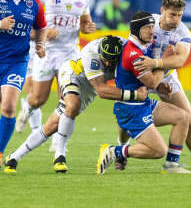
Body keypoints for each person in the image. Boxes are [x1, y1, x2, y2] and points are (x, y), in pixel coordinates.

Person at [3, 35, 149, 173]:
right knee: (73, 106)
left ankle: (14, 157)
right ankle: (59, 156)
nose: (108, 64)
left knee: (52, 125)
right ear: (99, 52)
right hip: (73, 74)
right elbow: (103, 91)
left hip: (89, 88)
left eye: (112, 60)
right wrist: (136, 95)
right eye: (105, 59)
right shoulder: (91, 54)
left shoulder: (127, 52)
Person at [117, 0, 191, 172]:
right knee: (130, 108)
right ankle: (121, 149)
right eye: (172, 14)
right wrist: (147, 66)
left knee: (187, 117)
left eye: (180, 15)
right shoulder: (148, 22)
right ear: (162, 10)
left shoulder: (183, 32)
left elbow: (180, 60)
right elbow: (133, 47)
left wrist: (156, 63)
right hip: (142, 71)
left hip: (166, 76)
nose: (176, 20)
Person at [98, 11, 191, 175]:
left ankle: (172, 166)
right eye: (148, 27)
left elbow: (150, 83)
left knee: (183, 116)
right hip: (130, 110)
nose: (152, 31)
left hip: (142, 104)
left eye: (153, 26)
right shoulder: (133, 54)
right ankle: (114, 152)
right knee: (159, 150)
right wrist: (163, 60)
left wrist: (160, 85)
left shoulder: (140, 47)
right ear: (136, 30)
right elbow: (152, 82)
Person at [15, 0, 96, 154]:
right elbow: (26, 19)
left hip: (70, 55)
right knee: (39, 99)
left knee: (68, 101)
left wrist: (88, 27)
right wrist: (45, 30)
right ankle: (27, 107)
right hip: (47, 53)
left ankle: (58, 144)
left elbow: (85, 22)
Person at [0, 0, 47, 169]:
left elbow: (42, 27)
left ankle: (0, 151)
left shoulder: (34, 4)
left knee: (9, 107)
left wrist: (41, 44)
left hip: (16, 62)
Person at [20, 0, 48, 133]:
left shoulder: (54, 8)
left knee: (39, 99)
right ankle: (37, 131)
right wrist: (44, 33)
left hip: (48, 55)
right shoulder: (27, 7)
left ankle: (26, 107)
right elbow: (24, 31)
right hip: (30, 53)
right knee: (32, 93)